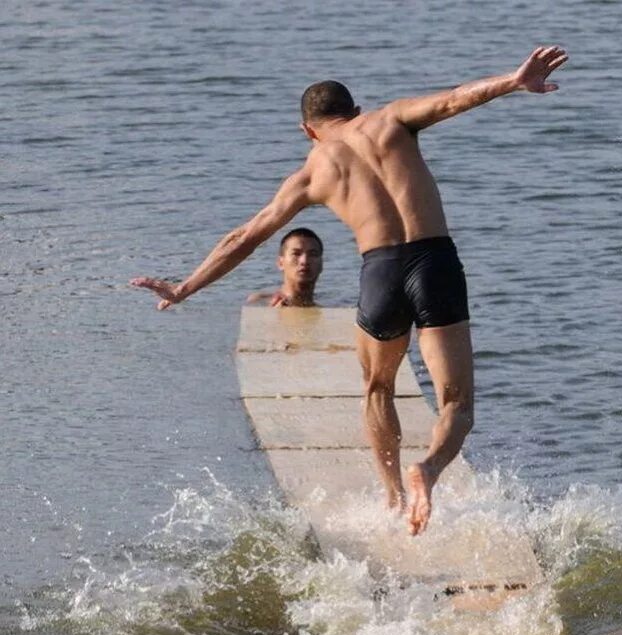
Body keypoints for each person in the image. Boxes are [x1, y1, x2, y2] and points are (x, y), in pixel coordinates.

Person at [132, 46, 568, 535]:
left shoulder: (312, 172)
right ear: (356, 111)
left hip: (379, 271)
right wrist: (513, 80)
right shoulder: (390, 120)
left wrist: (183, 287)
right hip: (435, 263)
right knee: (456, 404)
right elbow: (452, 100)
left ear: (307, 130)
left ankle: (393, 497)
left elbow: (246, 235)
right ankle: (428, 469)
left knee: (378, 387)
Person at [246, 227, 323, 306]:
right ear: (280, 263)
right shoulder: (260, 302)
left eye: (312, 254)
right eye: (296, 254)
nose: (304, 261)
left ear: (321, 265)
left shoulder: (326, 309)